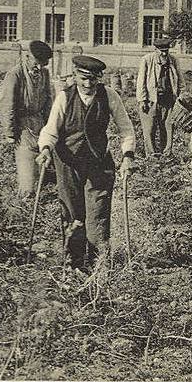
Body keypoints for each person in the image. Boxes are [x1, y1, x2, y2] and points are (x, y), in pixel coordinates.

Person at [37, 55, 136, 273]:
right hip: (68, 163)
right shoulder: (64, 97)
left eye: (92, 79)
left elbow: (126, 129)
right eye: (83, 78)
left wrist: (128, 155)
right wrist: (45, 149)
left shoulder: (110, 96)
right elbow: (50, 130)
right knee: (73, 215)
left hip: (98, 163)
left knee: (98, 213)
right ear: (74, 76)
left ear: (99, 78)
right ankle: (73, 263)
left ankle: (98, 265)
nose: (88, 84)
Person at [0, 40, 54, 198]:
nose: (40, 68)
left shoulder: (44, 73)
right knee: (27, 178)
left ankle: (40, 199)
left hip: (40, 124)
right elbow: (6, 104)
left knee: (44, 167)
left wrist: (50, 126)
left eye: (44, 64)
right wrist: (10, 133)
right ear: (27, 57)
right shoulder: (15, 74)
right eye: (37, 63)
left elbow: (49, 99)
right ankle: (25, 200)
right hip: (22, 126)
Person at [135, 36, 181, 157]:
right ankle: (151, 155)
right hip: (151, 100)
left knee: (168, 127)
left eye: (166, 50)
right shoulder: (147, 60)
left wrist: (180, 97)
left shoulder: (173, 61)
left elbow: (180, 80)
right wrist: (142, 100)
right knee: (149, 128)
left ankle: (166, 153)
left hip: (168, 100)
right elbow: (141, 82)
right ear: (155, 49)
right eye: (162, 51)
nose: (164, 53)